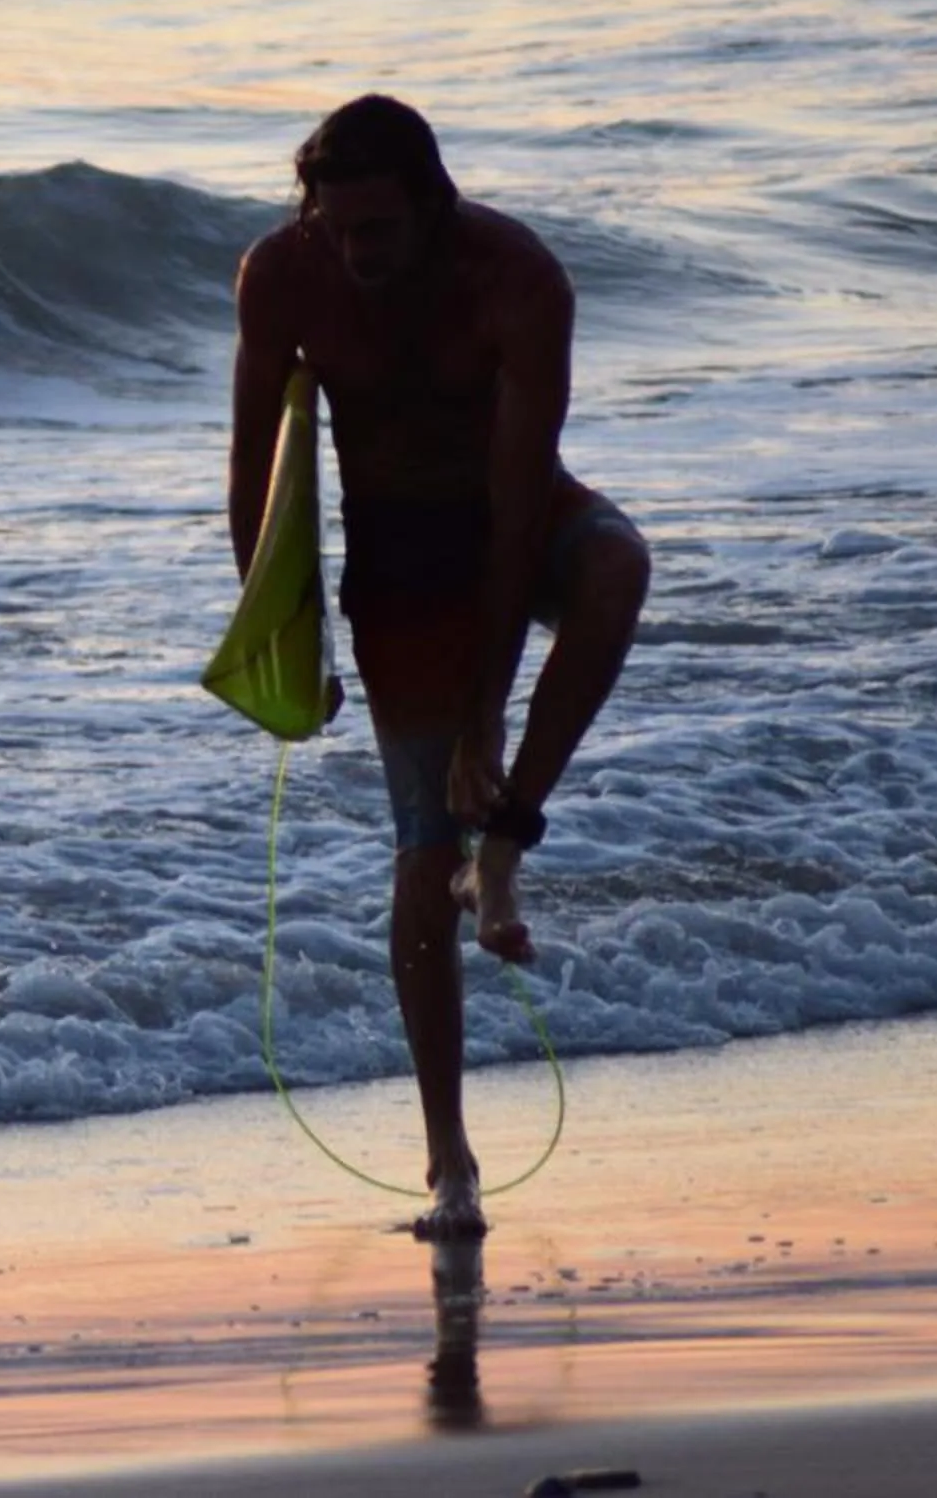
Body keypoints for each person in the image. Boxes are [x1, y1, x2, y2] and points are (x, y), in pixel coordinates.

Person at [228, 94, 649, 1239]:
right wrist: (284, 642)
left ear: (433, 205)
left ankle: (506, 843)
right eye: (337, 227)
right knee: (421, 850)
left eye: (379, 228)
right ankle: (448, 1158)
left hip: (506, 520)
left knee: (616, 569)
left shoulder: (516, 284)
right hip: (398, 566)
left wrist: (488, 724)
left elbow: (518, 520)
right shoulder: (283, 275)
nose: (357, 252)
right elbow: (255, 481)